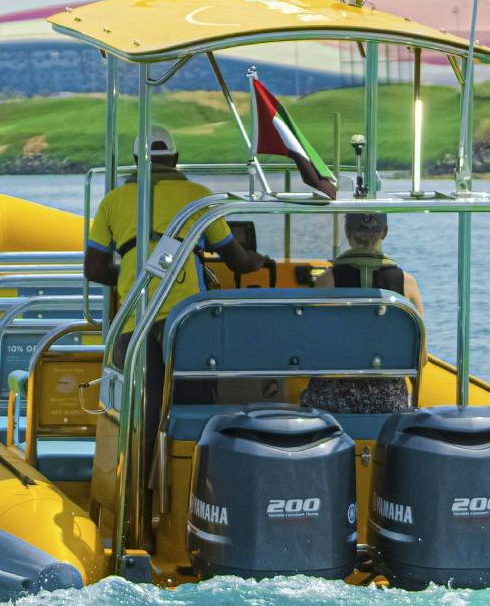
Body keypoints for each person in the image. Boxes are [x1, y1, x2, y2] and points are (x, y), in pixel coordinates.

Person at [84, 126, 272, 483]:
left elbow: (93, 268)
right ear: (175, 158)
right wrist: (260, 260)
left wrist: (134, 280)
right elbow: (238, 263)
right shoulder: (198, 197)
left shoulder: (112, 201)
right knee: (192, 408)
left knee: (142, 415)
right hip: (187, 323)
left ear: (136, 162)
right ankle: (194, 486)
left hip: (132, 321)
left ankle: (137, 501)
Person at [304, 212, 423, 414]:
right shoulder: (407, 283)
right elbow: (421, 358)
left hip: (332, 400)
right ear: (384, 233)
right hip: (389, 402)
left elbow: (310, 348)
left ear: (347, 231)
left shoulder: (327, 281)